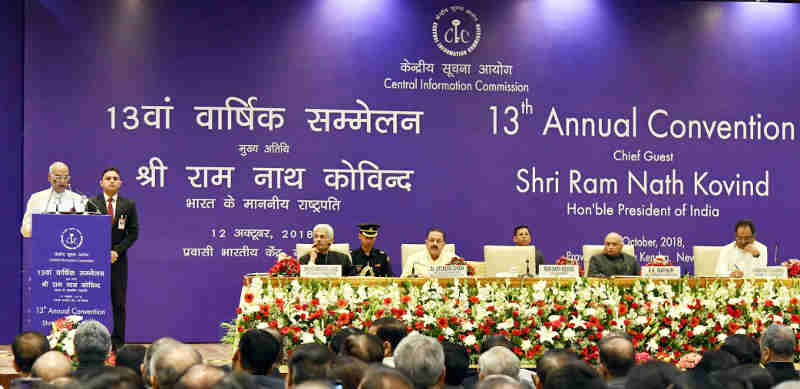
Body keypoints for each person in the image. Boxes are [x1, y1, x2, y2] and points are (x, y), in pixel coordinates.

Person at [85, 168, 139, 350]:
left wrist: (116, 251)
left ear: (120, 183)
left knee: (118, 302)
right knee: (93, 301)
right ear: (101, 182)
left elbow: (133, 233)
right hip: (94, 261)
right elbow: (87, 232)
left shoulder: (128, 205)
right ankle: (92, 341)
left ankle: (118, 342)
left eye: (115, 178)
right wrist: (101, 252)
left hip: (118, 261)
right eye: (108, 178)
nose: (112, 181)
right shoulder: (91, 203)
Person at [20, 161, 83, 237]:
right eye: (58, 177)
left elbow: (84, 227)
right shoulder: (36, 198)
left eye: (65, 177)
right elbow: (25, 229)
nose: (62, 181)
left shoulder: (77, 199)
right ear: (49, 177)